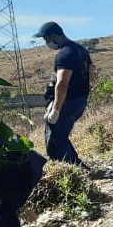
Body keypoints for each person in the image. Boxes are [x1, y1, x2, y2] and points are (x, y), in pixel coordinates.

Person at [35, 21, 91, 166]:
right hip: (80, 100)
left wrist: (55, 110)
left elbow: (61, 85)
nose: (46, 42)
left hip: (68, 101)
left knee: (56, 139)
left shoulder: (64, 54)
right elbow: (92, 73)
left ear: (53, 36)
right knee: (61, 135)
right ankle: (77, 166)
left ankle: (72, 169)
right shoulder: (81, 50)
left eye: (46, 39)